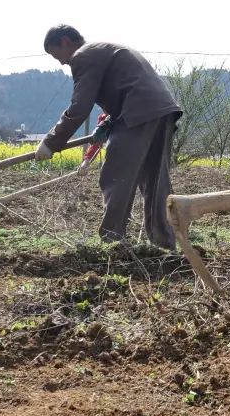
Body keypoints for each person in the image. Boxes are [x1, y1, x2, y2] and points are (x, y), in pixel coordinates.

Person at [37, 25, 182, 249]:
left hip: (138, 112)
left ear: (65, 42)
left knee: (116, 175)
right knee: (156, 180)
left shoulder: (83, 55)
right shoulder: (103, 50)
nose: (62, 63)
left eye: (57, 56)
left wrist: (51, 142)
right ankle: (164, 242)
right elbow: (127, 86)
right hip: (160, 111)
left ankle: (112, 241)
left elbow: (80, 107)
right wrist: (108, 122)